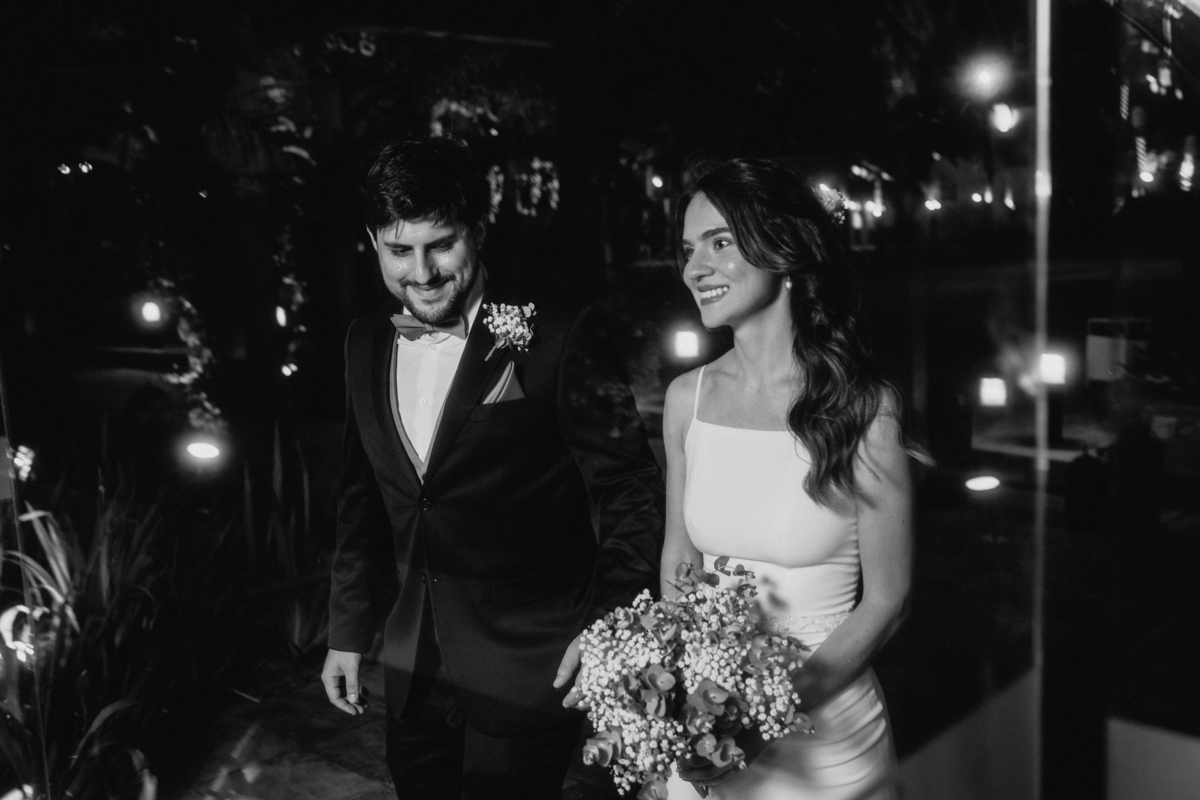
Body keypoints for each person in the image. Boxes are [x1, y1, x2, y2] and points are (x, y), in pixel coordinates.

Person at [321, 136, 664, 800]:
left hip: (529, 662)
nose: (420, 273)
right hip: (413, 662)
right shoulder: (363, 341)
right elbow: (361, 497)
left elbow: (630, 488)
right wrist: (346, 629)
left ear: (477, 233)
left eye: (440, 245)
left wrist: (607, 624)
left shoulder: (554, 335)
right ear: (373, 243)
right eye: (399, 251)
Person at [660, 156, 918, 800]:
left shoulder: (863, 408)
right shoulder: (685, 399)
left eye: (721, 243)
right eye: (689, 249)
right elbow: (679, 560)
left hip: (825, 744)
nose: (695, 268)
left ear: (782, 251)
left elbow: (888, 601)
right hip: (706, 729)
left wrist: (762, 713)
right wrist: (671, 700)